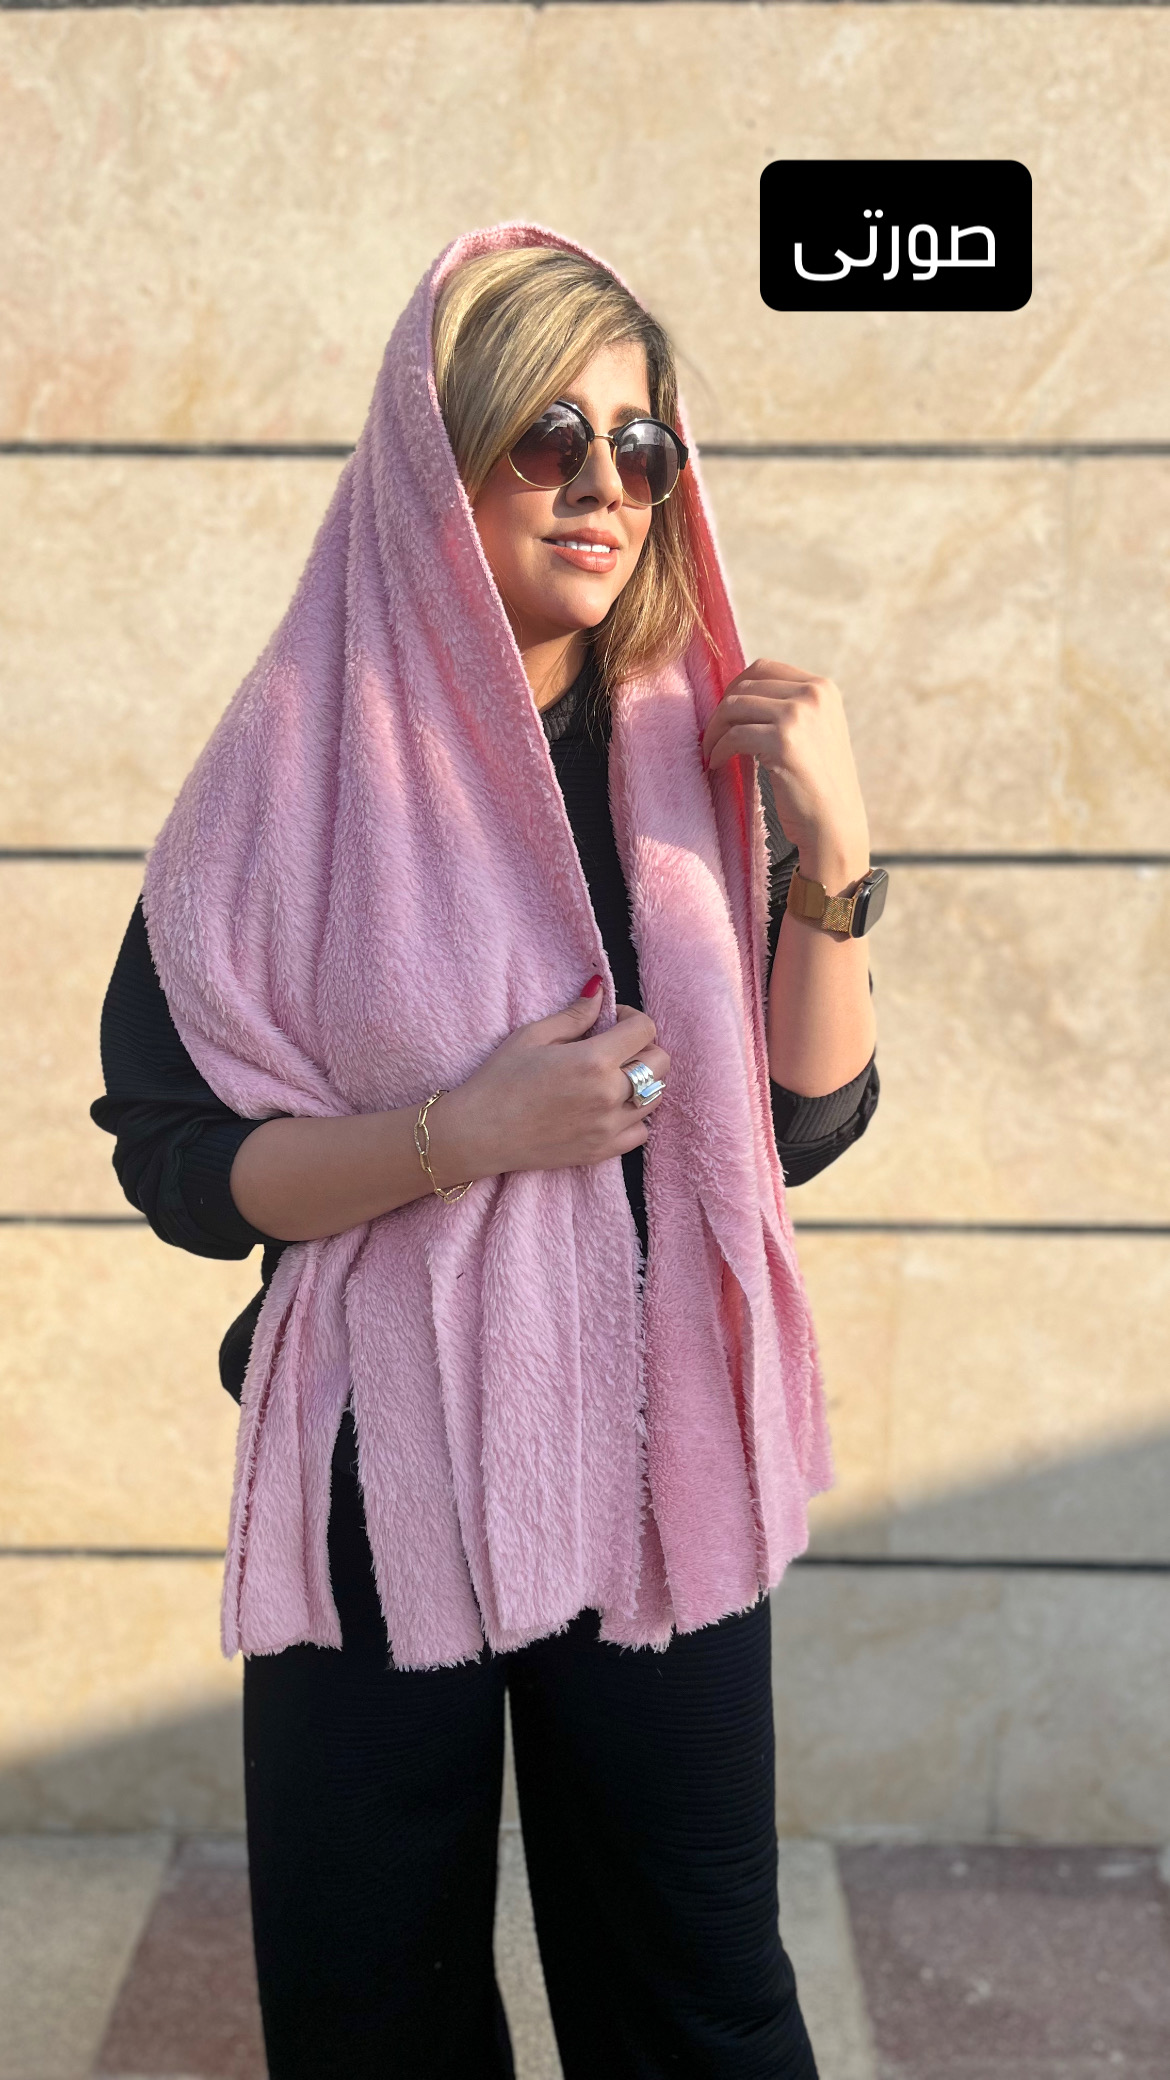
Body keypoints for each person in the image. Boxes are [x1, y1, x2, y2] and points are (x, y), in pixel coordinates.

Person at [92, 223, 883, 2080]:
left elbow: (799, 1123)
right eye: (549, 436)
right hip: (379, 1467)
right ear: (434, 462)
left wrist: (836, 867)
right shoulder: (285, 780)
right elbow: (180, 1160)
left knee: (696, 1998)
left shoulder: (706, 763)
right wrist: (462, 1138)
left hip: (662, 1458)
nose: (604, 486)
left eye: (644, 445)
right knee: (373, 2010)